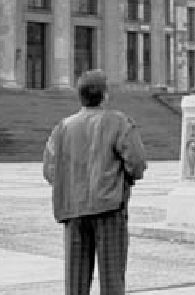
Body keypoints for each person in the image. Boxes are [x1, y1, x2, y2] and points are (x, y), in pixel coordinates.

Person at [42, 70, 147, 295]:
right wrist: (123, 180)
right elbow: (137, 164)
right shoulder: (119, 122)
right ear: (105, 96)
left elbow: (50, 169)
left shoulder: (62, 128)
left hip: (73, 210)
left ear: (79, 96)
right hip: (109, 209)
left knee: (75, 284)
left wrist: (71, 184)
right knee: (112, 281)